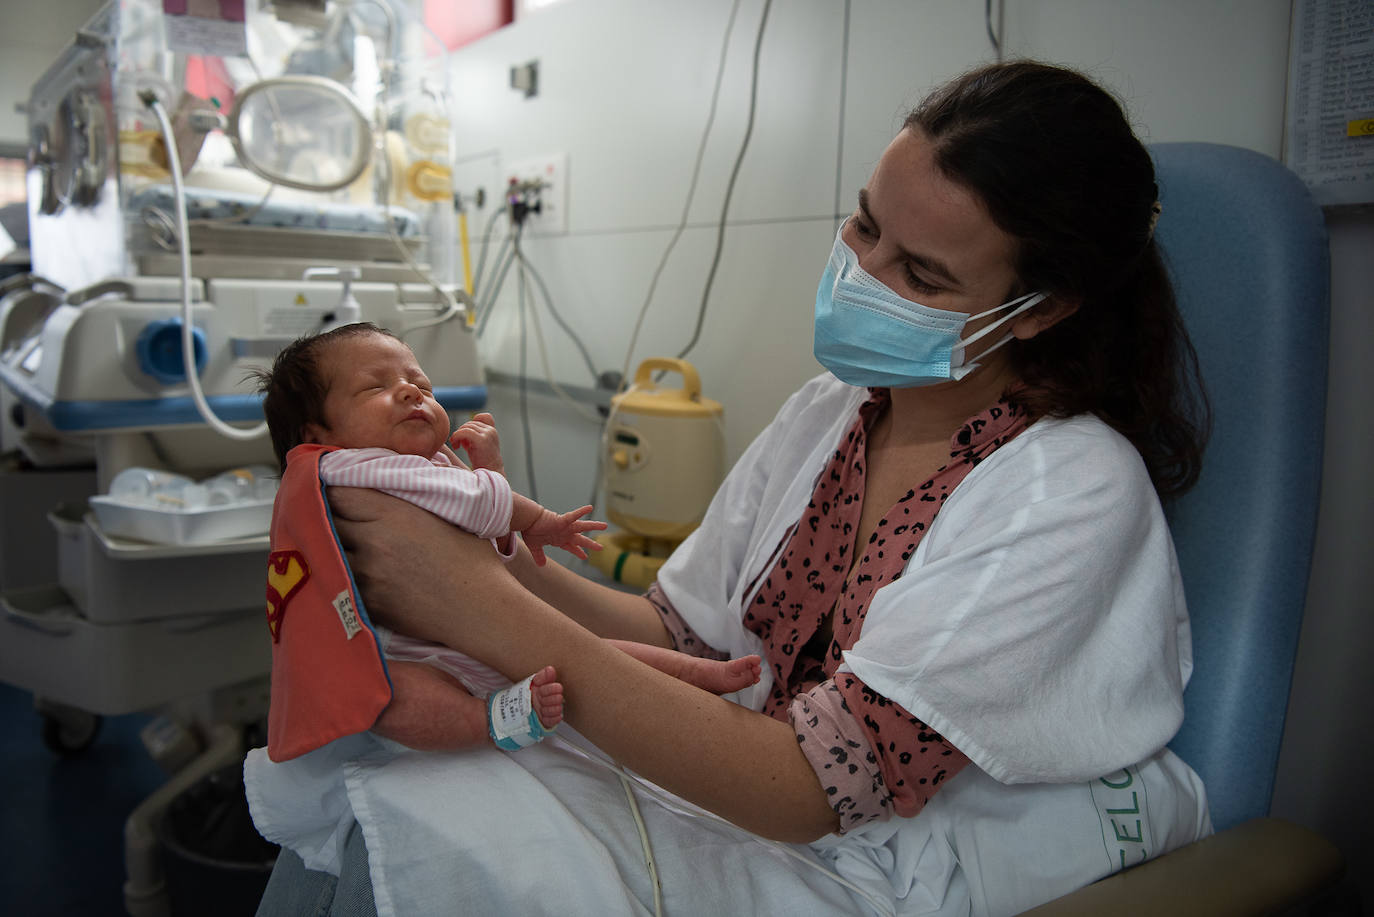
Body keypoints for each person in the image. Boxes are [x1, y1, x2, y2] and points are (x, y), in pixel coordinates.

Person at [248, 61, 1213, 916]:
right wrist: (480, 551)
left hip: (879, 859)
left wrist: (479, 601)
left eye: (919, 274)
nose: (862, 275)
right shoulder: (834, 410)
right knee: (384, 780)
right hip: (747, 783)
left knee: (419, 836)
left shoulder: (1066, 491)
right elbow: (678, 636)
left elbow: (807, 790)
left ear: (1039, 309)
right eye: (865, 227)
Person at [251, 323, 763, 759]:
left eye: (421, 385)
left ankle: (695, 674)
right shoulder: (350, 469)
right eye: (375, 387)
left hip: (442, 642)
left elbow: (469, 523)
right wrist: (522, 502)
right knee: (393, 701)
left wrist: (501, 504)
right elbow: (478, 504)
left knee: (595, 656)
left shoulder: (398, 468)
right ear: (318, 431)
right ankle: (490, 721)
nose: (412, 392)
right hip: (406, 653)